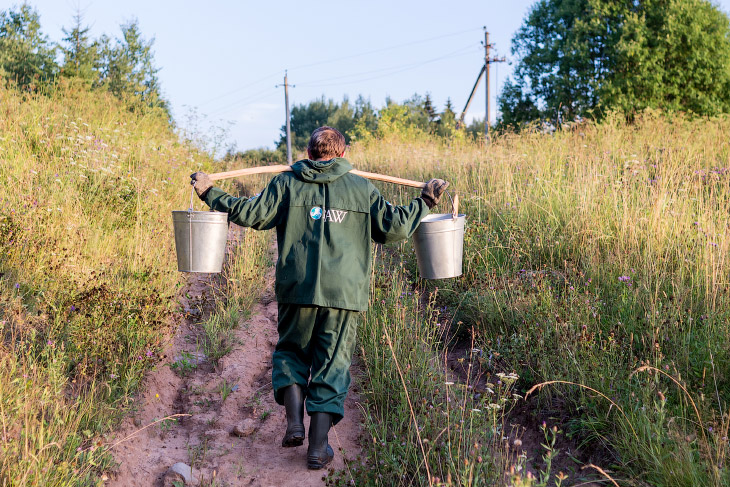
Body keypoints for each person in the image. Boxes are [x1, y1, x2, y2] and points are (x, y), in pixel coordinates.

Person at [190, 126, 448, 469]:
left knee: (291, 352)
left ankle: (295, 421)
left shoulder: (286, 183)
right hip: (343, 294)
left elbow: (251, 214)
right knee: (333, 364)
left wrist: (210, 192)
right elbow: (393, 228)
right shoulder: (360, 188)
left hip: (297, 289)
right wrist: (425, 202)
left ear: (310, 154)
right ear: (341, 154)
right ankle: (317, 447)